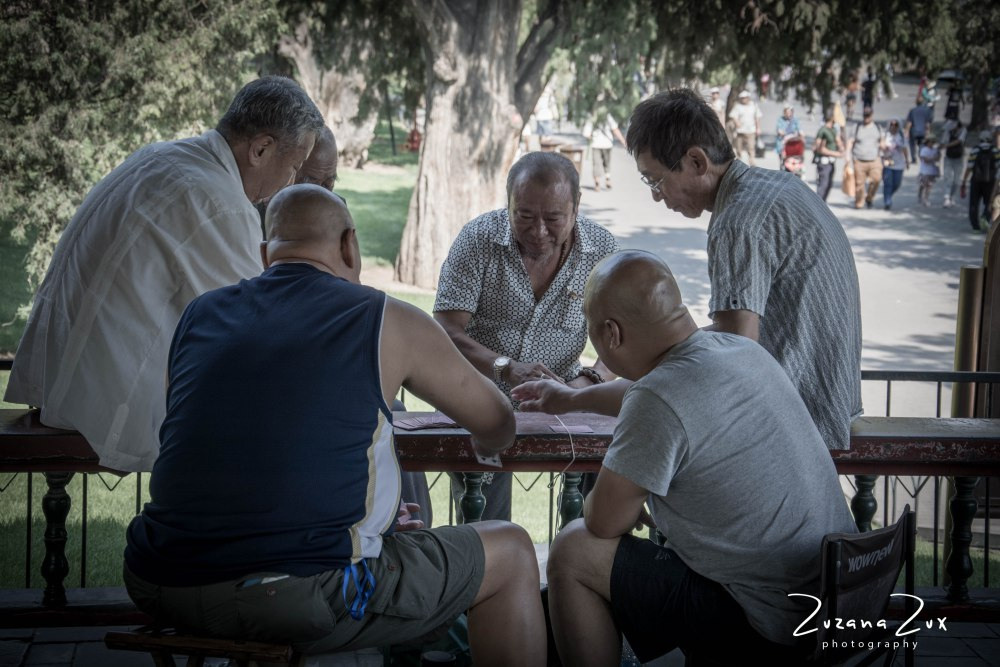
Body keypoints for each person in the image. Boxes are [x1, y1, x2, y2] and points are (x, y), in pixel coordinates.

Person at [123, 185, 545, 665]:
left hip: (159, 580)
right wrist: (489, 442)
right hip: (295, 592)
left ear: (266, 254)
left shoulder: (199, 314)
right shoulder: (385, 317)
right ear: (349, 245)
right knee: (510, 551)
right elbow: (496, 420)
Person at [545, 250, 858, 665]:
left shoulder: (658, 397)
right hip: (836, 605)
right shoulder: (736, 350)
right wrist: (572, 399)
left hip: (768, 627)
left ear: (611, 334)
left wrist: (606, 500)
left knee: (573, 550)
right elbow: (655, 392)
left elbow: (604, 522)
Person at [512, 89, 862, 454]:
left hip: (796, 423)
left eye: (655, 180)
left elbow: (732, 352)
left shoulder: (738, 221)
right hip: (827, 405)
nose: (656, 196)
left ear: (696, 161)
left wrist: (637, 357)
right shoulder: (776, 187)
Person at [5, 76, 325, 472]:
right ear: (260, 148)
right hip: (103, 406)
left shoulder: (163, 156)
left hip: (59, 381)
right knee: (295, 415)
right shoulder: (217, 199)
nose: (290, 183)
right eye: (293, 168)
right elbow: (259, 329)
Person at [434, 151, 618, 521]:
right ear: (508, 203)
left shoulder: (602, 251)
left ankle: (579, 570)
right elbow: (444, 330)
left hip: (565, 397)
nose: (539, 232)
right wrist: (505, 367)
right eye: (524, 216)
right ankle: (495, 572)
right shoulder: (478, 240)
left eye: (553, 219)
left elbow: (621, 339)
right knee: (486, 521)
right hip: (479, 391)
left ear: (577, 206)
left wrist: (587, 382)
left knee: (596, 498)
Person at [961, 129, 1000, 231]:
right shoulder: (995, 151)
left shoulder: (975, 150)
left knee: (974, 203)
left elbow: (969, 166)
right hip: (990, 181)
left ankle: (975, 226)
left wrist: (964, 181)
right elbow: (998, 166)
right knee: (989, 202)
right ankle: (985, 218)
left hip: (976, 181)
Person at [847, 106, 885, 209]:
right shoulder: (857, 127)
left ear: (872, 115)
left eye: (868, 115)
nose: (866, 117)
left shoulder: (877, 127)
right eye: (865, 115)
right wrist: (847, 156)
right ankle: (859, 202)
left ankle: (869, 197)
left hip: (874, 159)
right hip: (859, 160)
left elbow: (882, 141)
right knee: (859, 183)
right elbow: (850, 142)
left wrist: (883, 146)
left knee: (876, 180)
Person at [583, 110, 627, 191]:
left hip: (595, 144)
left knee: (596, 164)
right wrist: (623, 141)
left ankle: (597, 183)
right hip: (607, 144)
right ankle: (607, 179)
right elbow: (615, 129)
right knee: (607, 163)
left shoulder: (591, 117)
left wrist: (592, 137)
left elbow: (586, 133)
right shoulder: (608, 115)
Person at [813, 108, 844, 202]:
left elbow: (839, 142)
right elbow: (819, 148)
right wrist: (836, 154)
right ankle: (818, 206)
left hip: (831, 163)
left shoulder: (833, 130)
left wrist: (841, 147)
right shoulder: (822, 131)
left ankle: (823, 205)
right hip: (823, 163)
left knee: (828, 185)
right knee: (823, 185)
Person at [881, 119, 909, 210]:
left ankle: (888, 195)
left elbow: (905, 149)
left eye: (895, 125)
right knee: (887, 183)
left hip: (899, 164)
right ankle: (887, 201)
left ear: (898, 126)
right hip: (887, 163)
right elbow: (881, 146)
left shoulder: (901, 136)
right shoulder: (885, 135)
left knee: (897, 184)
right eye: (891, 124)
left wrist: (907, 161)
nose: (893, 126)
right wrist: (885, 147)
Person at [728, 90, 760, 166]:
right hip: (740, 131)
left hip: (751, 130)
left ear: (748, 98)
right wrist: (736, 122)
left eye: (745, 98)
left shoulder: (753, 106)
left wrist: (758, 128)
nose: (744, 99)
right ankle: (739, 163)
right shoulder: (738, 106)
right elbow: (733, 115)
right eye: (742, 98)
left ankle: (752, 162)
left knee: (751, 147)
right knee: (739, 148)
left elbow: (757, 117)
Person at [941, 119, 967, 208]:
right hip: (948, 157)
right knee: (947, 177)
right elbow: (943, 141)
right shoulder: (948, 132)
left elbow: (959, 141)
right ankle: (946, 197)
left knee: (956, 180)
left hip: (959, 158)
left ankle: (952, 196)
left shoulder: (963, 130)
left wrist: (946, 145)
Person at [904, 98, 933, 166]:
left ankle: (914, 159)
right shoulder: (927, 111)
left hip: (913, 131)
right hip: (922, 131)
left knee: (912, 145)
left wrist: (906, 131)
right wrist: (928, 132)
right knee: (921, 145)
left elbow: (909, 122)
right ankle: (922, 157)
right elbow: (928, 123)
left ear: (916, 103)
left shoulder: (913, 110)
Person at [918, 135, 941, 208]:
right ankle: (920, 194)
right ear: (927, 142)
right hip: (924, 171)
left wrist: (938, 154)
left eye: (933, 142)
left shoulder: (935, 150)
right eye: (931, 142)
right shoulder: (924, 149)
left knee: (929, 186)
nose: (932, 144)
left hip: (932, 171)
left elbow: (938, 159)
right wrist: (933, 158)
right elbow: (925, 160)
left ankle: (926, 199)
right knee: (923, 185)